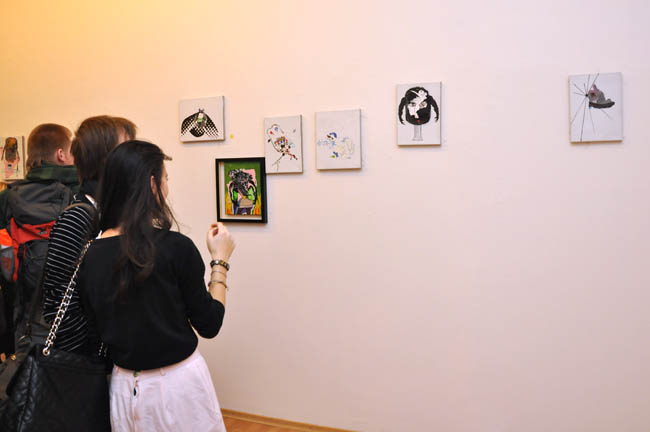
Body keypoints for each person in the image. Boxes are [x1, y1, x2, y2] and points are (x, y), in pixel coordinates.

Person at [78, 140, 234, 431]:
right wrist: (220, 261)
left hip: (123, 389)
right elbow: (210, 323)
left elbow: (94, 328)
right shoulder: (175, 247)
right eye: (165, 179)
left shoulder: (90, 254)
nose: (166, 187)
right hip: (178, 387)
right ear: (152, 184)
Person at [41, 115, 136, 354]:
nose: (134, 158)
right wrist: (97, 357)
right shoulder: (77, 217)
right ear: (105, 160)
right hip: (88, 362)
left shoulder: (110, 212)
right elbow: (59, 304)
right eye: (126, 149)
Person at [0, 123, 78, 351]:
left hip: (23, 313)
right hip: (72, 316)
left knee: (28, 368)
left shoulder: (6, 198)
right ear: (61, 154)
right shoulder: (80, 194)